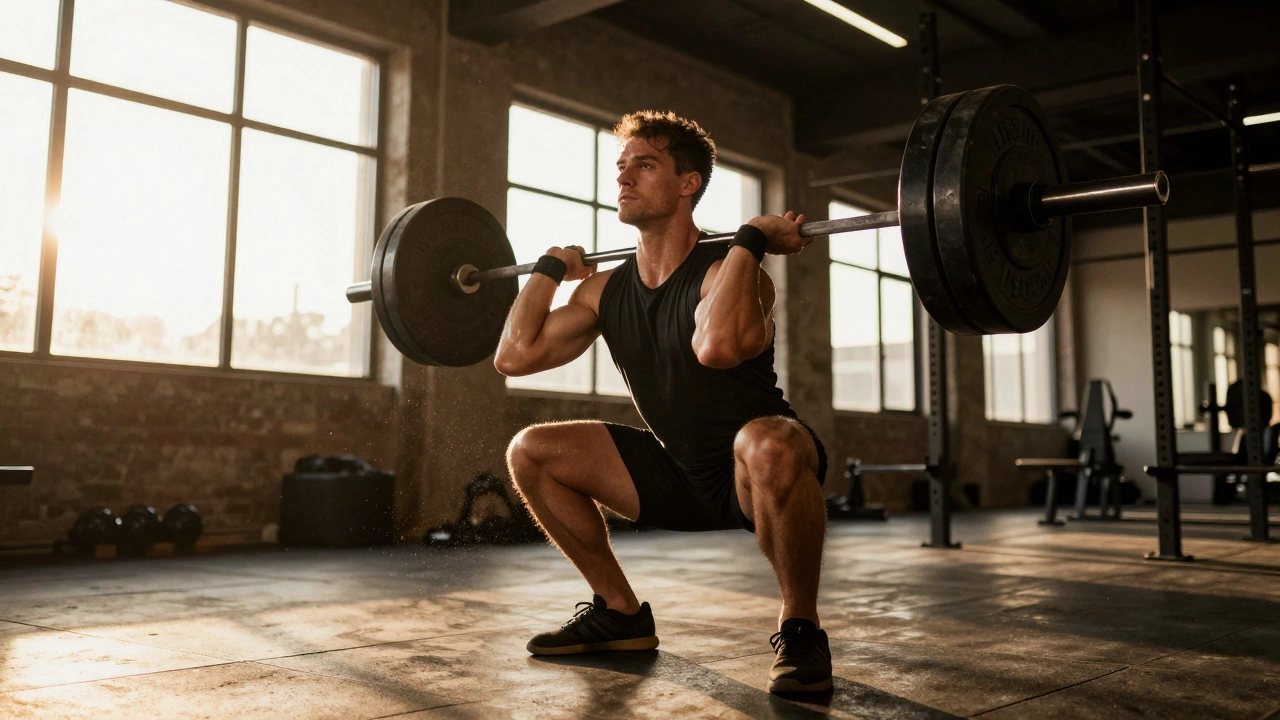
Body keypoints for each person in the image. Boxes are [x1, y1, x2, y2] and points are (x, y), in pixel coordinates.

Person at [494, 110, 831, 694]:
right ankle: (620, 614)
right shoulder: (606, 289)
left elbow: (718, 346)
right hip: (676, 472)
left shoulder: (726, 268)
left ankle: (800, 628)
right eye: (621, 168)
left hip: (756, 470)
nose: (623, 179)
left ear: (687, 184)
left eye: (644, 166)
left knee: (766, 440)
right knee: (533, 451)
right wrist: (548, 271)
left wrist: (751, 238)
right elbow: (515, 356)